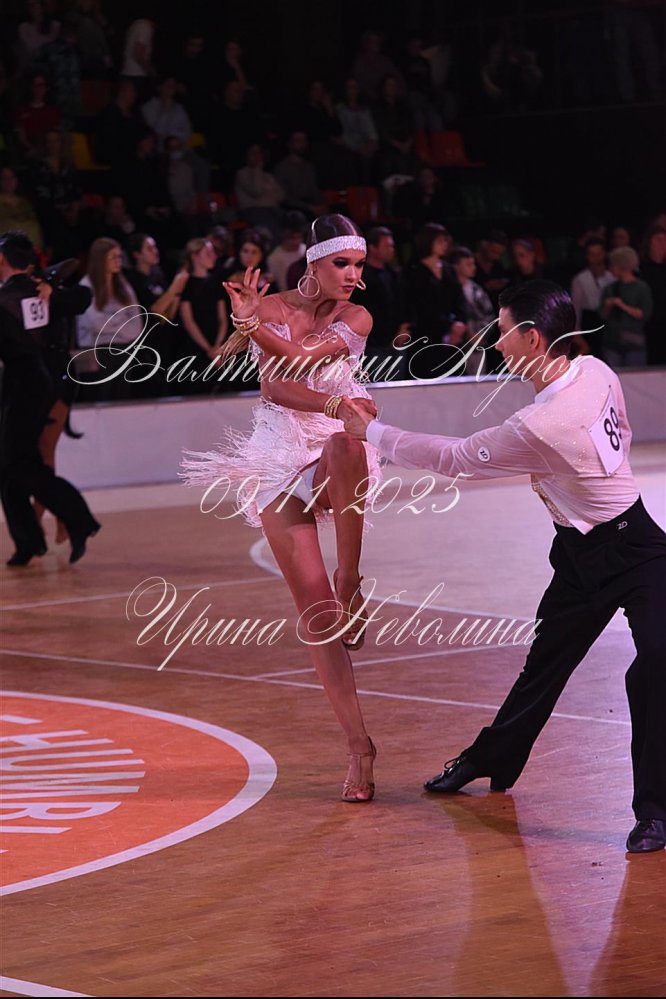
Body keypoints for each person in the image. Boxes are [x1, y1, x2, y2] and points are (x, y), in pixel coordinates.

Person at [342, 278, 666, 854]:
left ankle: (655, 814)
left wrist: (373, 432)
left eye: (503, 330)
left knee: (655, 668)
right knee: (543, 668)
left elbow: (457, 459)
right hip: (582, 552)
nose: (495, 342)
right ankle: (492, 756)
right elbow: (618, 437)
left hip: (637, 552)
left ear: (533, 338)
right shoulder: (596, 370)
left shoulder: (543, 423)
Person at [181, 214, 381, 801]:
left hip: (333, 444)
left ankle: (351, 579)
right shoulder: (270, 308)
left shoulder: (357, 317)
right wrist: (252, 322)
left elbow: (302, 358)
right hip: (276, 452)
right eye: (341, 263)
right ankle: (359, 748)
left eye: (359, 265)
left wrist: (251, 328)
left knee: (345, 445)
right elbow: (278, 384)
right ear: (313, 262)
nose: (352, 274)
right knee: (317, 618)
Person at [0, 230, 100, 566]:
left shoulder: (13, 296)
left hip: (26, 383)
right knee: (11, 465)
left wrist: (52, 290)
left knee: (20, 463)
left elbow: (82, 295)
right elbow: (82, 295)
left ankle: (77, 518)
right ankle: (29, 541)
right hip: (30, 381)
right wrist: (50, 290)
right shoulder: (32, 291)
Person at [76, 237, 145, 401]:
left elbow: (137, 323)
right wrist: (121, 324)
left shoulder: (123, 285)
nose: (118, 261)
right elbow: (95, 323)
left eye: (119, 256)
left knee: (121, 396)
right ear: (100, 260)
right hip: (97, 352)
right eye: (113, 257)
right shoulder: (86, 285)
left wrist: (113, 325)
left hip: (124, 350)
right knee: (100, 397)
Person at [404, 222, 467, 379]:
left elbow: (459, 299)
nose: (444, 244)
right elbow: (421, 306)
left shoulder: (449, 270)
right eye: (440, 241)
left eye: (445, 241)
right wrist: (448, 325)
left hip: (453, 339)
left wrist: (459, 322)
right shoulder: (414, 272)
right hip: (426, 339)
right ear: (428, 241)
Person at [351, 225, 409, 379]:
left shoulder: (394, 274)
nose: (391, 250)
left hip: (397, 341)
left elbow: (404, 303)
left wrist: (404, 328)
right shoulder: (359, 277)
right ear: (372, 248)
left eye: (392, 246)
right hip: (372, 345)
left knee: (398, 387)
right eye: (386, 246)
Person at [600, 246, 652, 368]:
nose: (610, 268)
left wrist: (622, 305)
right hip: (611, 343)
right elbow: (602, 315)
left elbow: (644, 314)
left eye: (613, 264)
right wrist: (608, 306)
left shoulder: (641, 288)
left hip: (634, 343)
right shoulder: (609, 288)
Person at [570, 236, 614, 356]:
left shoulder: (612, 277)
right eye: (592, 254)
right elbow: (576, 308)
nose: (596, 258)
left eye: (599, 254)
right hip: (589, 324)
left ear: (604, 254)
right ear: (587, 256)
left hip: (609, 325)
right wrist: (577, 333)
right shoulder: (580, 279)